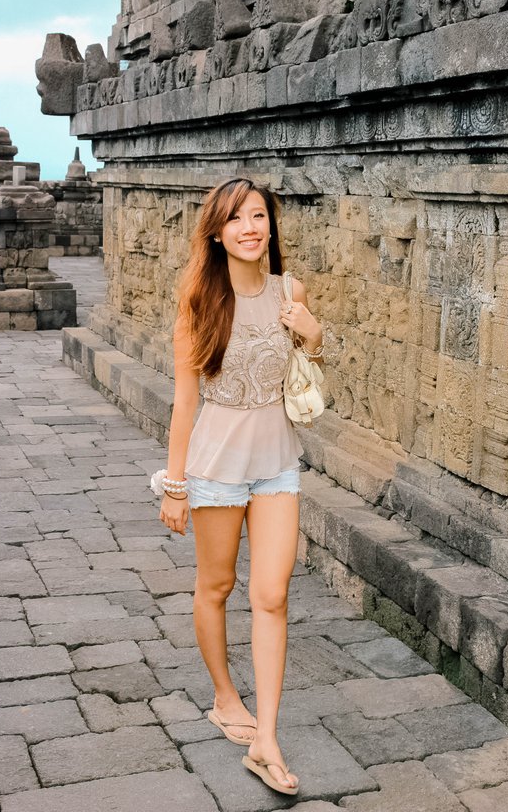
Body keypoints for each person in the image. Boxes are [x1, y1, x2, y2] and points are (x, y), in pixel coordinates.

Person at [158, 177, 323, 796]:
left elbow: (312, 356)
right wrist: (175, 485)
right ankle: (226, 697)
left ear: (271, 226)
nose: (251, 228)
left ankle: (267, 739)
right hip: (215, 471)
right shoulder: (200, 299)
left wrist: (313, 329)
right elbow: (183, 403)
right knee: (217, 584)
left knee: (273, 595)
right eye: (237, 219)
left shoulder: (290, 291)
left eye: (259, 216)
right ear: (217, 232)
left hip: (278, 464)